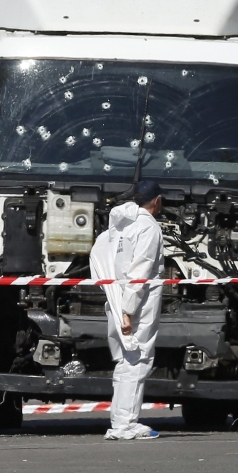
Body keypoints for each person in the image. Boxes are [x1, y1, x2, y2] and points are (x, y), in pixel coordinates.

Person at [89, 181, 165, 440]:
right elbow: (140, 272)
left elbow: (99, 258)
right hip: (137, 305)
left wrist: (118, 303)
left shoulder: (118, 226)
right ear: (156, 201)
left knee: (125, 361)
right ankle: (125, 425)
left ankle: (122, 421)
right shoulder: (148, 228)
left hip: (115, 298)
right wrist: (128, 312)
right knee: (138, 360)